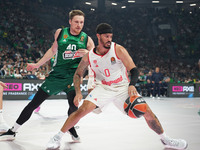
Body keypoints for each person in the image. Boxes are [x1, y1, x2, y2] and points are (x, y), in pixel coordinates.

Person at [46, 23, 187, 150]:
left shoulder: (118, 49)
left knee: (146, 111)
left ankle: (166, 139)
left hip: (122, 87)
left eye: (111, 36)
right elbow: (77, 74)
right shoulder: (89, 56)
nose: (109, 39)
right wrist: (78, 92)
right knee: (81, 110)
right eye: (106, 36)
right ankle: (57, 137)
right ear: (98, 36)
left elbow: (134, 70)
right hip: (103, 88)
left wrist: (132, 84)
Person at [0, 10, 94, 141]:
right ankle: (12, 131)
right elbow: (53, 50)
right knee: (34, 104)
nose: (79, 25)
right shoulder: (60, 33)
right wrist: (37, 64)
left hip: (73, 77)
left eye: (82, 22)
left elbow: (95, 60)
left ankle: (70, 128)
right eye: (76, 22)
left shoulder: (87, 39)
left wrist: (89, 54)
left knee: (74, 106)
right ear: (70, 22)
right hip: (56, 76)